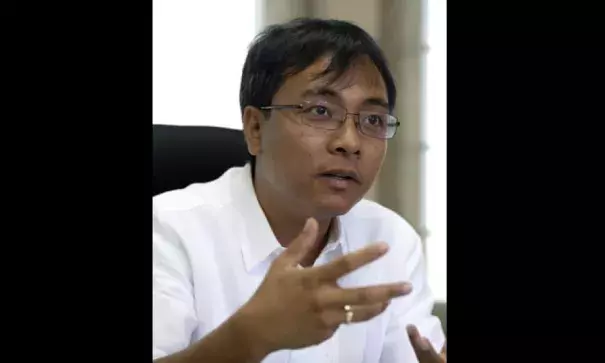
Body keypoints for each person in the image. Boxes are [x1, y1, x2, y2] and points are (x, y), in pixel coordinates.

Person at [153, 17, 446, 363]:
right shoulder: (168, 231)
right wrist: (249, 337)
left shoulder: (389, 239)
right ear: (255, 128)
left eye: (373, 120)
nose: (350, 143)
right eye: (320, 111)